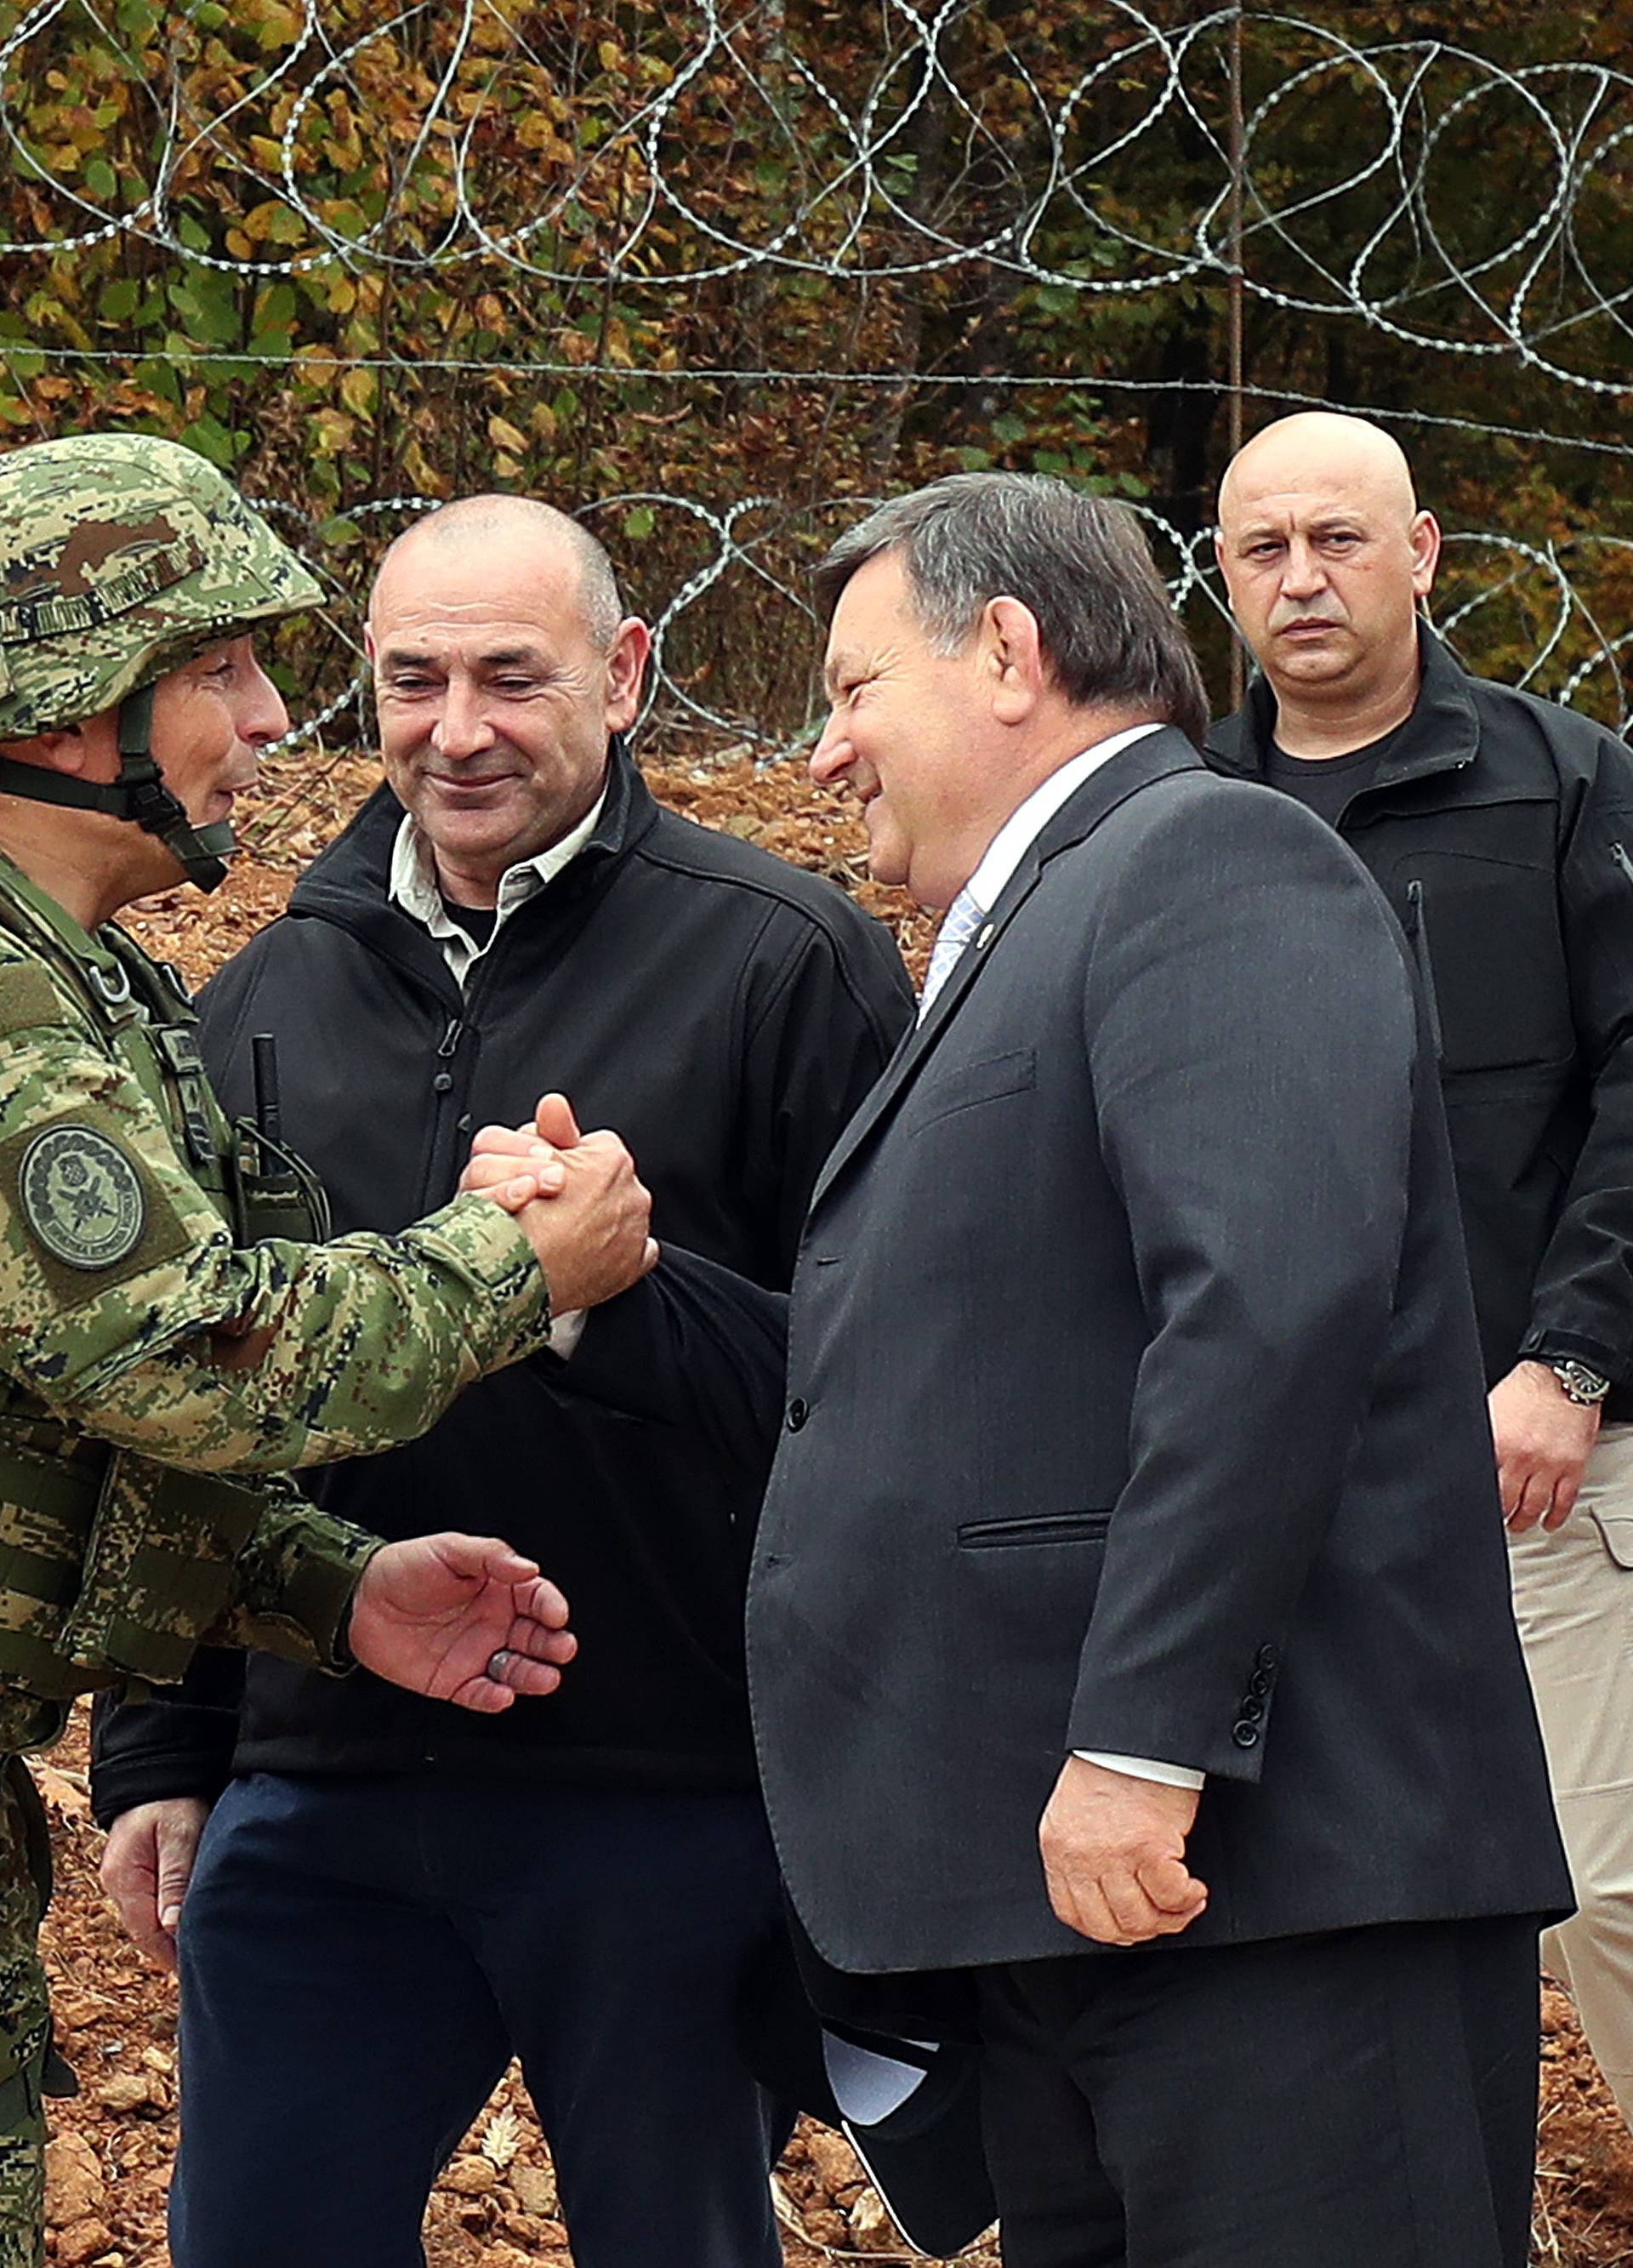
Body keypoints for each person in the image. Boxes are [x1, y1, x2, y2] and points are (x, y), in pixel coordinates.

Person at [743, 470, 1573, 2268]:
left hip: (1269, 1907)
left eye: (853, 687)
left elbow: (1269, 1307)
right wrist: (616, 1273)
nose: (827, 752)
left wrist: (1143, 1734)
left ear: (1012, 651)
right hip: (1091, 1922)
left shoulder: (1211, 860)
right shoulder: (1051, 917)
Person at [92, 493, 913, 2268]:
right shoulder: (250, 999)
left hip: (673, 1800)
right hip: (322, 1791)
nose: (455, 731)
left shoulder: (788, 962)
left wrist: (605, 1301)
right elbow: (178, 1393)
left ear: (621, 676)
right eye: (413, 679)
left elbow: (889, 1395)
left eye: (510, 678)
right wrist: (164, 1748)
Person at [0, 431, 658, 2266]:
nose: (277, 719)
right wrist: (518, 1258)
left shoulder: (92, 986)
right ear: (75, 706)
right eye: (222, 668)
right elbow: (202, 1359)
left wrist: (333, 1588)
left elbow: (102, 1430)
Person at [1209, 408, 1633, 2124]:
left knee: (1605, 1886)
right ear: (1222, 576)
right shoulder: (1183, 813)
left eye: (1341, 539)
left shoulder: (1564, 781)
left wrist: (1573, 1360)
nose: (1302, 579)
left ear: (1426, 550)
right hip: (1267, 1482)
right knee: (1325, 1903)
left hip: (1535, 1462)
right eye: (1263, 550)